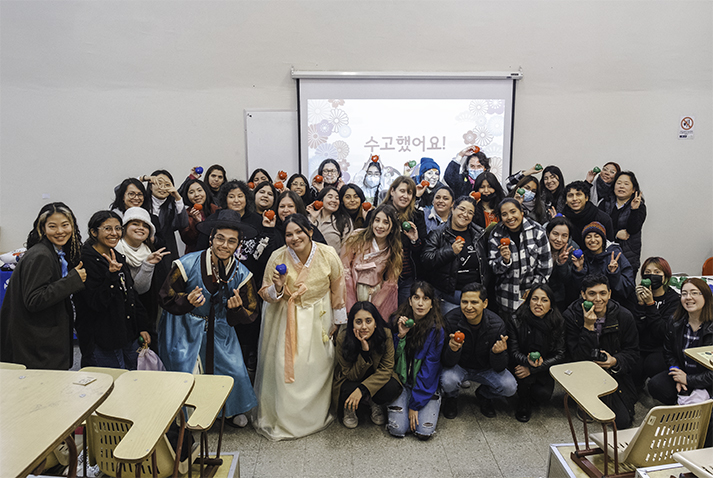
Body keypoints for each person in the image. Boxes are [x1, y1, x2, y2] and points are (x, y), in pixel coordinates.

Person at [158, 209, 259, 427]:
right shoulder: (186, 264)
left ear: (238, 245)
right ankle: (188, 415)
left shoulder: (242, 273)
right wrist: (186, 300)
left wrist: (236, 309)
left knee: (233, 369)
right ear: (211, 238)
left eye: (232, 241)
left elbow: (252, 310)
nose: (225, 245)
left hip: (221, 327)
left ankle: (230, 410)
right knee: (187, 371)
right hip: (185, 325)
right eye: (220, 238)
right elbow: (165, 296)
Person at [253, 214, 347, 440]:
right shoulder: (277, 256)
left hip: (319, 313)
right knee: (283, 364)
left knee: (319, 363)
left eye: (299, 232)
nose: (294, 238)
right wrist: (277, 288)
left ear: (310, 231)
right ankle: (284, 417)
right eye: (288, 234)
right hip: (285, 314)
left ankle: (313, 415)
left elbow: (338, 285)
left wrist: (338, 319)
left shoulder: (328, 254)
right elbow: (265, 291)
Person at [0, 203, 86, 369]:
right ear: (42, 229)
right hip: (36, 346)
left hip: (40, 340)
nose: (60, 231)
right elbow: (34, 300)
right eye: (52, 226)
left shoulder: (54, 252)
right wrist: (72, 281)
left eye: (65, 225)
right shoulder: (41, 255)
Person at [75, 211, 151, 369]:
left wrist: (142, 326)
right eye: (108, 229)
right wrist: (111, 275)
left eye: (118, 228)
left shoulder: (116, 256)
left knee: (132, 380)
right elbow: (96, 303)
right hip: (102, 339)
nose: (114, 233)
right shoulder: (85, 261)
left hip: (125, 333)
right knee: (110, 385)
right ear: (94, 232)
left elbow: (131, 294)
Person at [563, 274, 639, 429]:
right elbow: (575, 356)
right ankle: (582, 398)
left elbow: (633, 352)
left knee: (623, 421)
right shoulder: (571, 316)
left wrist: (615, 361)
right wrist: (588, 327)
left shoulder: (624, 316)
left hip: (611, 370)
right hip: (581, 371)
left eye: (603, 293)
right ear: (583, 295)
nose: (598, 299)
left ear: (610, 294)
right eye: (592, 294)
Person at [440, 283, 515, 419]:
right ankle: (451, 398)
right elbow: (446, 362)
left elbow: (500, 367)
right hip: (460, 367)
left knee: (509, 386)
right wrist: (453, 349)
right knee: (447, 380)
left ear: (485, 303)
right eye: (464, 302)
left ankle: (484, 395)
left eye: (474, 302)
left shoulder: (497, 325)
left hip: (485, 368)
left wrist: (497, 353)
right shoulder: (450, 319)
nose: (468, 307)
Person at [387, 281, 445, 440]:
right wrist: (401, 336)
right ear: (410, 301)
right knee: (397, 429)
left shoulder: (437, 330)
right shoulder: (396, 321)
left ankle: (431, 398)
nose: (420, 303)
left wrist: (415, 404)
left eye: (426, 298)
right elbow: (389, 358)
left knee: (423, 433)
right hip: (402, 382)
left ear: (432, 304)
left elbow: (429, 369)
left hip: (425, 385)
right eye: (416, 297)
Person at [333, 302, 403, 429]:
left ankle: (373, 402)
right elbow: (349, 374)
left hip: (374, 377)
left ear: (376, 323)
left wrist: (363, 389)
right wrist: (364, 353)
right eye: (358, 322)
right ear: (352, 324)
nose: (364, 327)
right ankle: (349, 408)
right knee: (346, 390)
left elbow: (386, 370)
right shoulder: (343, 339)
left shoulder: (385, 335)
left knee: (391, 387)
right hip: (352, 380)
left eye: (368, 321)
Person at [647, 278, 713, 405]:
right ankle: (682, 403)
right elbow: (669, 352)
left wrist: (688, 380)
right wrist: (677, 374)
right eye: (684, 294)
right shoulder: (675, 321)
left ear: (706, 296)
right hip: (684, 372)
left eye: (694, 293)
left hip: (707, 379)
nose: (688, 297)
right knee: (656, 385)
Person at [422, 195, 490, 315]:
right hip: (449, 295)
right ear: (453, 208)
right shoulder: (438, 233)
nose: (465, 214)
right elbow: (426, 260)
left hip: (475, 295)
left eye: (470, 212)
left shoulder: (479, 234)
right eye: (462, 209)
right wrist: (450, 251)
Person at [508, 285, 566, 422]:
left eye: (544, 300)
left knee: (543, 395)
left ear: (551, 303)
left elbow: (560, 354)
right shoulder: (516, 319)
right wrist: (526, 362)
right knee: (522, 378)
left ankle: (532, 395)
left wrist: (534, 368)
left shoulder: (558, 322)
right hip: (520, 363)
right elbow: (513, 351)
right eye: (534, 299)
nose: (538, 304)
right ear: (528, 301)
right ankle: (523, 402)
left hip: (544, 365)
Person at [488, 199, 552, 317]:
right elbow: (494, 269)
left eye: (513, 212)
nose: (510, 217)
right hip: (505, 300)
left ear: (521, 212)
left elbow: (545, 267)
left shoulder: (537, 231)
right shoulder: (496, 235)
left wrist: (533, 291)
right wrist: (504, 261)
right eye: (504, 214)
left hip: (531, 301)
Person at [340, 203, 402, 321]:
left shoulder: (393, 249)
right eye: (377, 220)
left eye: (386, 222)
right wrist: (351, 300)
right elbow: (344, 267)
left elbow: (391, 282)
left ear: (393, 227)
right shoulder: (356, 236)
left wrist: (376, 304)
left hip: (374, 292)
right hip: (351, 287)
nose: (380, 226)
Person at [114, 207, 170, 325]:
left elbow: (140, 289)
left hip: (141, 314)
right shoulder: (114, 250)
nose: (141, 228)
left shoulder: (150, 253)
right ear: (124, 227)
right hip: (116, 315)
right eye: (135, 224)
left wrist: (148, 265)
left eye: (145, 226)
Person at [377, 176, 426, 304]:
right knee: (381, 315)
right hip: (381, 275)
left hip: (406, 277)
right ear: (392, 191)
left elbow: (422, 251)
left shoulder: (417, 216)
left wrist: (415, 240)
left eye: (409, 193)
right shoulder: (377, 214)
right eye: (402, 191)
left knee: (403, 315)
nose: (405, 196)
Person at [633, 257, 680, 386]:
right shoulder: (637, 295)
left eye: (657, 272)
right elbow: (635, 329)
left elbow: (663, 332)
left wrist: (650, 304)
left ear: (665, 276)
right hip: (640, 346)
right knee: (633, 368)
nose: (652, 275)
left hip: (662, 348)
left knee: (652, 365)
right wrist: (640, 304)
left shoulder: (674, 299)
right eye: (647, 272)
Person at [571, 221, 636, 312]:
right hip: (591, 308)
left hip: (617, 308)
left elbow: (628, 289)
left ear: (603, 239)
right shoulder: (583, 258)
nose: (593, 240)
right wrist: (579, 269)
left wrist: (614, 273)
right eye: (588, 237)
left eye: (597, 236)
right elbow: (580, 290)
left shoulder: (616, 255)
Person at [598, 171, 647, 273]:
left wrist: (634, 210)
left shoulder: (639, 206)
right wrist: (615, 233)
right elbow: (597, 227)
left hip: (629, 256)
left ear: (633, 189)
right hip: (604, 253)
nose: (621, 186)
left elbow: (633, 230)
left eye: (626, 184)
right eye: (619, 183)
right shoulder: (604, 203)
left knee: (625, 286)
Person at [141, 170, 189, 261]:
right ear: (150, 186)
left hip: (167, 252)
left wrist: (178, 198)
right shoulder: (141, 201)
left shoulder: (173, 204)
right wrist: (144, 178)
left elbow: (183, 224)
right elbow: (121, 190)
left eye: (167, 185)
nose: (162, 188)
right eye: (159, 183)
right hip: (143, 250)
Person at [562, 180, 614, 247]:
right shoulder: (563, 218)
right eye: (570, 195)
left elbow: (610, 245)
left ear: (586, 198)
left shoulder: (603, 218)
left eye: (578, 194)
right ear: (566, 201)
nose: (574, 198)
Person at [545, 216, 580, 311]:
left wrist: (561, 264)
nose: (559, 239)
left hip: (560, 296)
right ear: (548, 233)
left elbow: (567, 280)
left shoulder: (572, 248)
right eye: (555, 234)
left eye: (564, 236)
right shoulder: (540, 245)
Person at [308, 186, 353, 254]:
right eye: (330, 197)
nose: (334, 200)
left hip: (333, 262)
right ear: (321, 199)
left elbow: (347, 248)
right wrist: (313, 218)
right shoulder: (309, 218)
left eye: (337, 198)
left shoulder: (344, 220)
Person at [179, 178, 218, 254]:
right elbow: (188, 240)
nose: (197, 195)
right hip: (196, 255)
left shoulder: (216, 210)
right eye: (191, 192)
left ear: (205, 191)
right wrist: (197, 223)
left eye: (199, 190)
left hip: (216, 254)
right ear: (187, 196)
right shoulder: (185, 214)